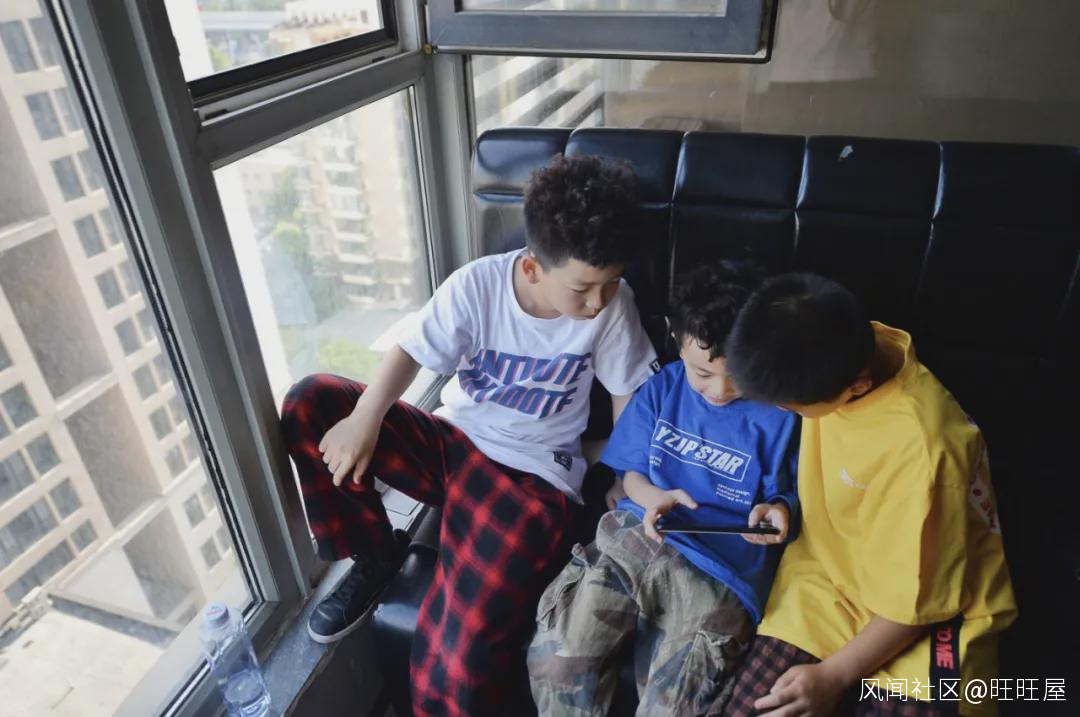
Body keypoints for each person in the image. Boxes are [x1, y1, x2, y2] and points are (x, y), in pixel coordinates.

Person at [279, 153, 659, 717]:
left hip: (531, 478)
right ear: (533, 268)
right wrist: (365, 418)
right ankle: (374, 552)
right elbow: (412, 348)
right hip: (452, 443)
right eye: (583, 288)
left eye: (610, 284)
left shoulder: (612, 307)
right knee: (312, 401)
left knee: (455, 660)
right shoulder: (479, 284)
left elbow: (632, 396)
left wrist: (625, 474)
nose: (597, 301)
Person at [721, 273, 1017, 717]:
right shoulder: (837, 343)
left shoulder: (925, 449)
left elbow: (916, 603)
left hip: (929, 613)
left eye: (790, 407)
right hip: (825, 582)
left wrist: (834, 676)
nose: (784, 411)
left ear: (856, 389)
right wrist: (783, 503)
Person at [528, 263, 801, 717]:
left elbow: (789, 497)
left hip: (719, 571)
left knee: (678, 706)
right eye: (703, 373)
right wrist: (652, 497)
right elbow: (631, 475)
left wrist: (777, 511)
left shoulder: (782, 415)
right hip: (635, 540)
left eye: (739, 375)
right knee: (559, 663)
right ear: (678, 339)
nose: (721, 390)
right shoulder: (662, 390)